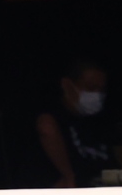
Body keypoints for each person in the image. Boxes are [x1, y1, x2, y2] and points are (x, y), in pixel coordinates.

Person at [36, 58, 114, 187]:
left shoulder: (96, 121)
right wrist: (69, 176)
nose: (97, 95)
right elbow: (46, 128)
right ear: (67, 85)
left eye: (101, 90)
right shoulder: (56, 115)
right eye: (91, 88)